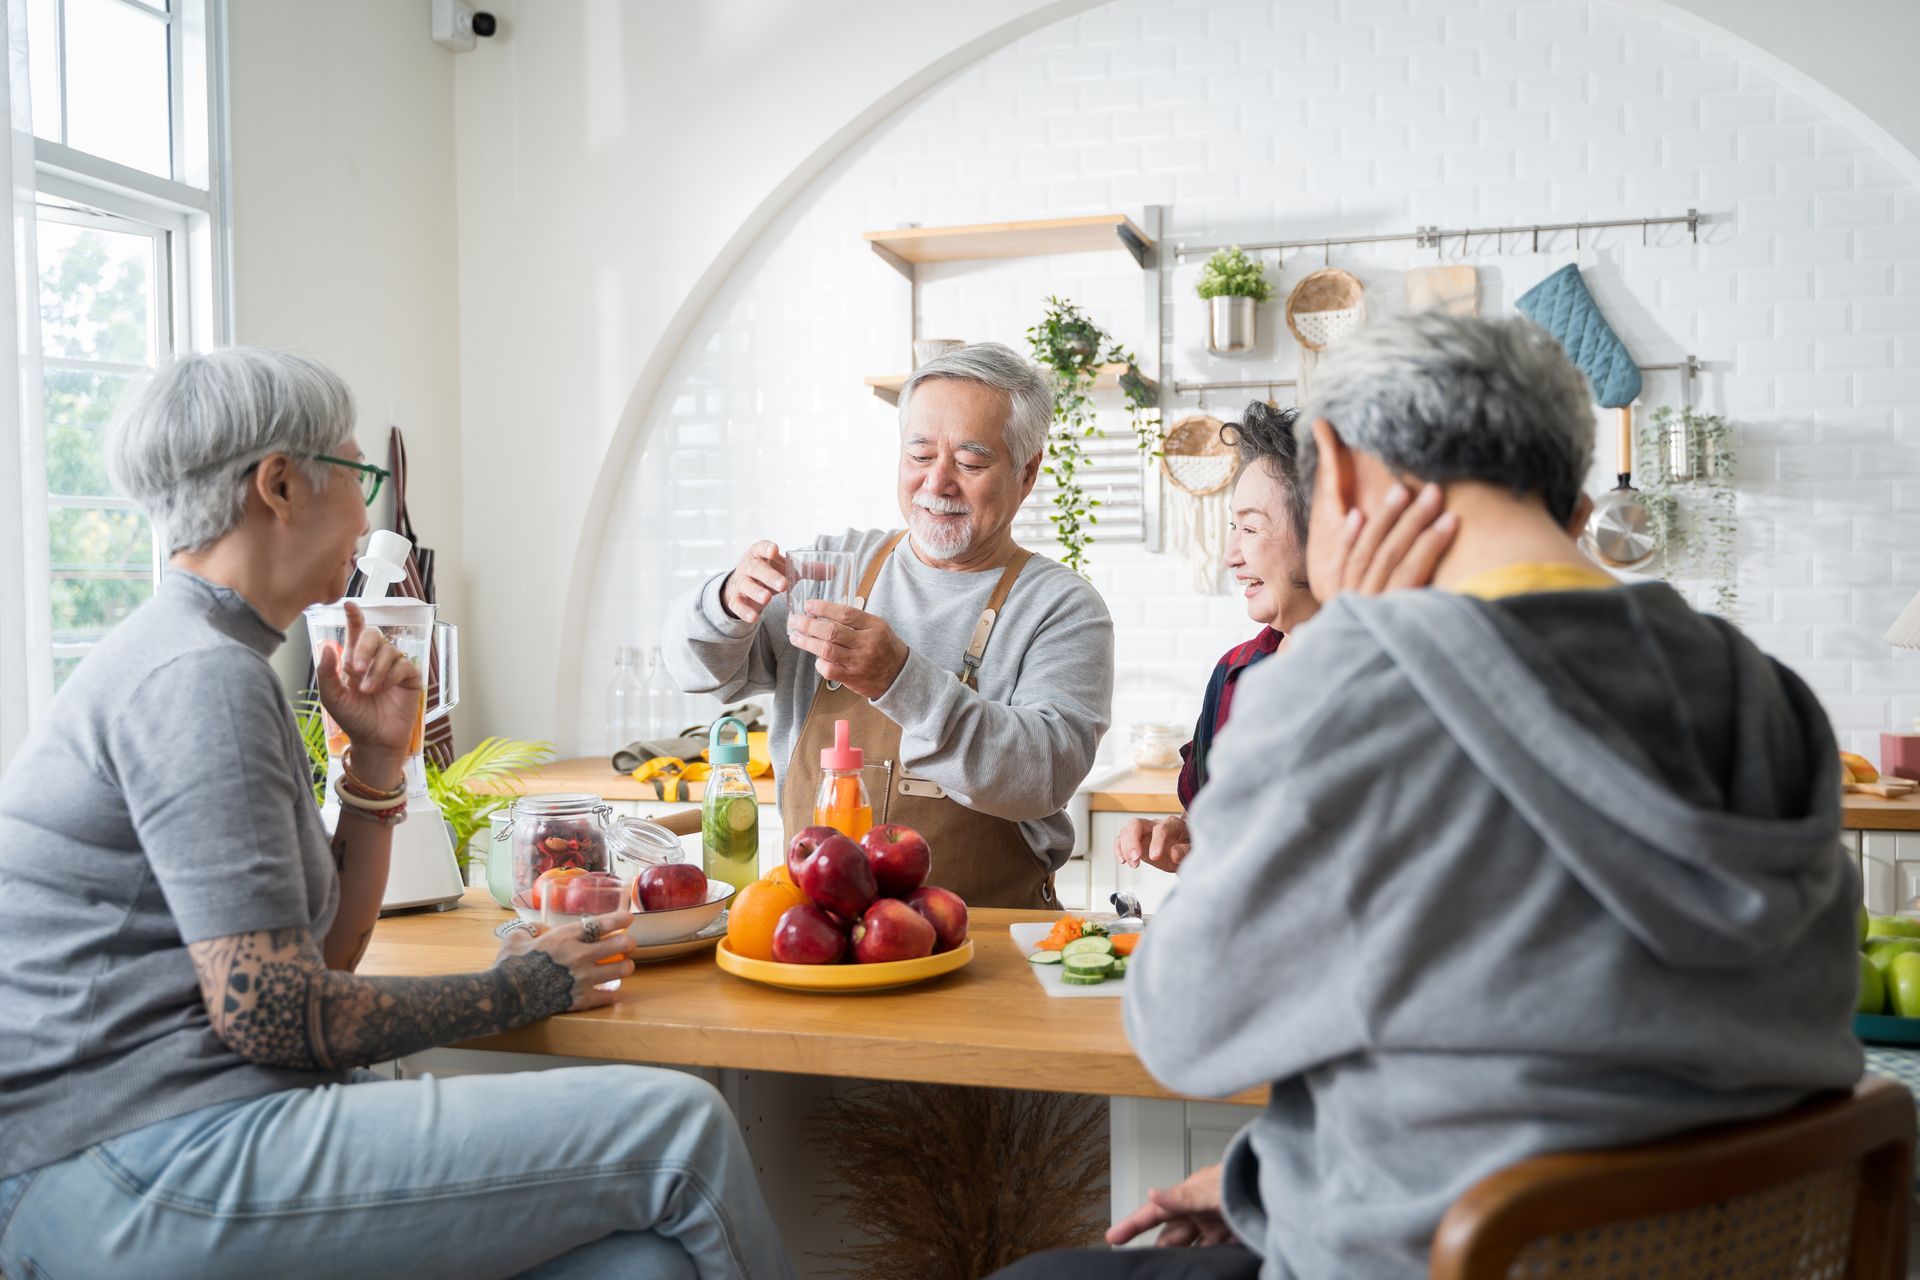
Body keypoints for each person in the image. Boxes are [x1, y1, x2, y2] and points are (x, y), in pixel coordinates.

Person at [1002, 312, 1861, 1277]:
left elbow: (1184, 1034)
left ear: (1338, 468)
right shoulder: (1766, 694)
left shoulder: (1349, 695)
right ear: (1565, 479)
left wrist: (1325, 662)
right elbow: (1566, 1048)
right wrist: (1271, 1175)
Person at [0, 349, 794, 1280]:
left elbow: (320, 962)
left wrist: (378, 763)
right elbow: (276, 1016)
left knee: (642, 1267)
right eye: (359, 476)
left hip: (167, 1143)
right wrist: (521, 989)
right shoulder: (197, 678)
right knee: (680, 1126)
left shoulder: (206, 658)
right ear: (281, 484)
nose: (373, 514)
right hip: (137, 1162)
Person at [664, 342, 1113, 907]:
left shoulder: (1061, 607)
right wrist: (729, 601)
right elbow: (695, 670)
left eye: (970, 463)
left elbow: (1042, 776)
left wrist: (898, 679)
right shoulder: (833, 568)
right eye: (920, 455)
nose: (937, 483)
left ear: (1027, 473)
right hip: (821, 933)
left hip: (987, 943)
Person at [1114, 402, 1457, 874]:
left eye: (1251, 527)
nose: (1229, 555)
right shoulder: (1235, 672)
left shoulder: (1405, 677)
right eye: (1233, 526)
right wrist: (1188, 833)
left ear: (1327, 533)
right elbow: (1234, 828)